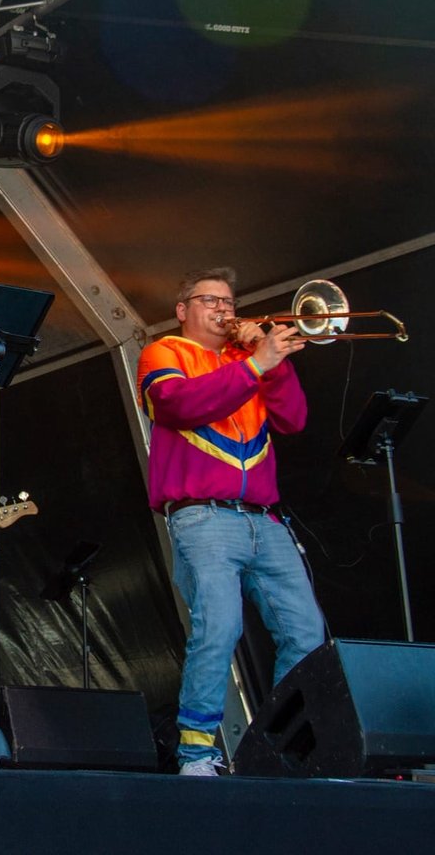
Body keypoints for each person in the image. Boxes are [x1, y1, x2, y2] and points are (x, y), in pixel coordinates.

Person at [136, 266, 324, 777]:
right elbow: (176, 405)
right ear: (182, 310)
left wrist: (271, 361)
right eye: (210, 301)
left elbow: (293, 419)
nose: (223, 310)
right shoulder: (163, 352)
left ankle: (271, 746)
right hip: (203, 517)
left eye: (228, 302)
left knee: (307, 634)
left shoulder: (249, 361)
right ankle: (196, 752)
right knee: (219, 628)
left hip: (266, 520)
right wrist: (257, 362)